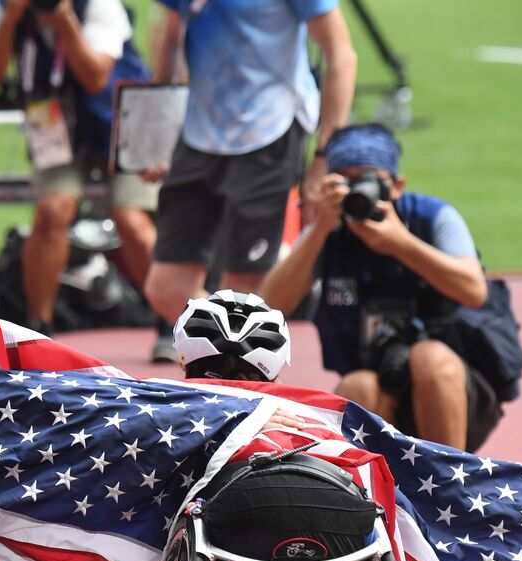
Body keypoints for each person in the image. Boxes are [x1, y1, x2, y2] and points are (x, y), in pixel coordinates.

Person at [259, 123, 500, 452]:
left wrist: (401, 244)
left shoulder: (432, 217)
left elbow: (474, 290)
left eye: (367, 180)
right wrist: (318, 229)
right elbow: (268, 309)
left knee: (431, 359)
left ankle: (450, 488)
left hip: (454, 390)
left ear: (397, 186)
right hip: (374, 380)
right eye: (344, 181)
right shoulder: (327, 231)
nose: (357, 192)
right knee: (357, 387)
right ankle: (377, 498)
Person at [143, 0, 357, 362]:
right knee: (166, 288)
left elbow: (341, 54)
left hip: (269, 130)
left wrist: (324, 156)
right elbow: (168, 34)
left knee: (244, 287)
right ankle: (228, 344)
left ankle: (236, 380)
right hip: (198, 132)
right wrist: (156, 132)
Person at [0, 0, 158, 335]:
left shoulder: (100, 6)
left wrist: (65, 21)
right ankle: (39, 326)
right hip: (57, 127)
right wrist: (11, 20)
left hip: (123, 120)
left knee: (131, 218)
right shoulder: (6, 7)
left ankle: (168, 319)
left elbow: (95, 78)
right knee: (51, 212)